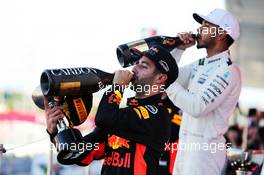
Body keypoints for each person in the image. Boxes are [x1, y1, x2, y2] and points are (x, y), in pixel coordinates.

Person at [45, 45, 179, 175]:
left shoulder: (158, 115)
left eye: (143, 66)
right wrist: (55, 131)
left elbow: (104, 118)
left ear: (160, 78)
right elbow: (80, 154)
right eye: (137, 63)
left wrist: (117, 86)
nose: (134, 68)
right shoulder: (123, 113)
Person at [166, 8, 242, 175]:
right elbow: (170, 76)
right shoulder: (201, 63)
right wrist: (179, 49)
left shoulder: (229, 71)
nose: (199, 29)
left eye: (206, 25)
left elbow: (197, 107)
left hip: (204, 153)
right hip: (186, 146)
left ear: (221, 33)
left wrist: (164, 81)